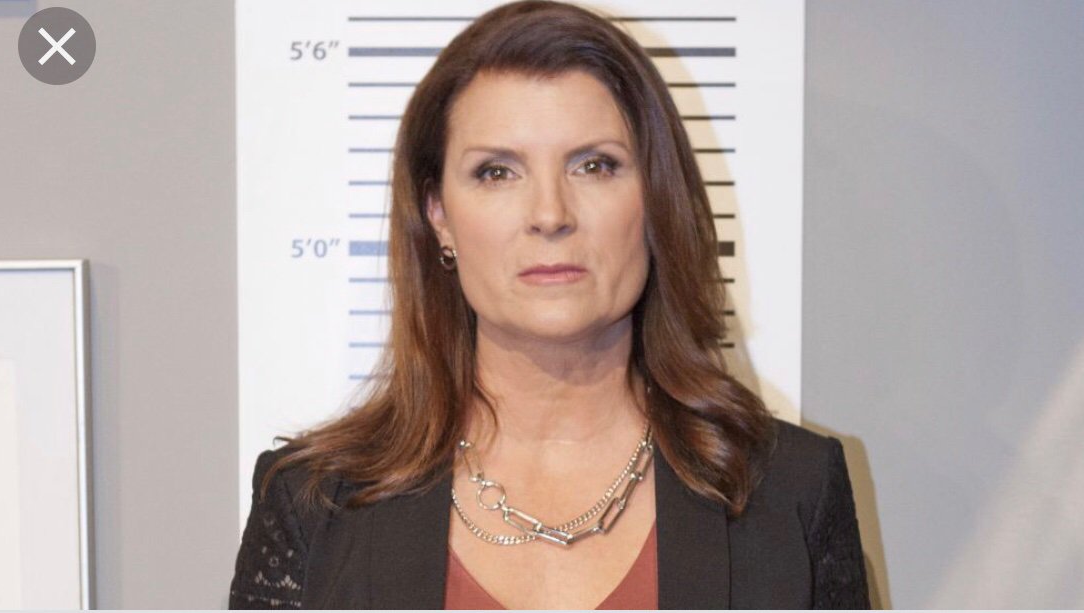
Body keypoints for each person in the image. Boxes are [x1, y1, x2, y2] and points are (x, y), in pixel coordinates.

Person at [228, 0, 871, 609]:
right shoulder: (311, 504)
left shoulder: (793, 489)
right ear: (439, 216)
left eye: (594, 166)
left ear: (654, 199)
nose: (550, 214)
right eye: (496, 172)